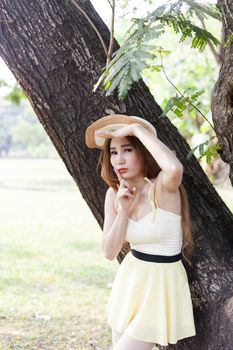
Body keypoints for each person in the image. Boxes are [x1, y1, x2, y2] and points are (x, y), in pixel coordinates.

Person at [85, 114, 196, 350]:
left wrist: (135, 129)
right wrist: (123, 211)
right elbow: (109, 251)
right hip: (131, 280)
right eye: (113, 152)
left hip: (161, 284)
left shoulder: (163, 188)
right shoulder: (114, 194)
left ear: (143, 152)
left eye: (127, 149)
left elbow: (176, 168)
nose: (118, 159)